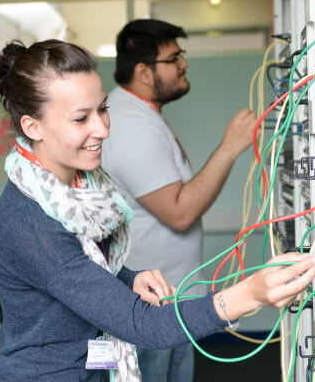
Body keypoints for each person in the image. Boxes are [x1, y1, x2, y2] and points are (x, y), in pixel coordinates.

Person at [0, 39, 315, 382]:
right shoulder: (31, 223)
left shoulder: (81, 186)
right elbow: (140, 325)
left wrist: (128, 278)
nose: (102, 129)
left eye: (103, 109)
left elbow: (82, 266)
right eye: (81, 118)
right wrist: (249, 294)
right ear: (32, 127)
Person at [101, 19, 257, 382]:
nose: (184, 64)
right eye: (174, 58)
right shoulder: (128, 123)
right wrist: (231, 147)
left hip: (172, 297)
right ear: (143, 71)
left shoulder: (144, 115)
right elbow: (180, 212)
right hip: (151, 305)